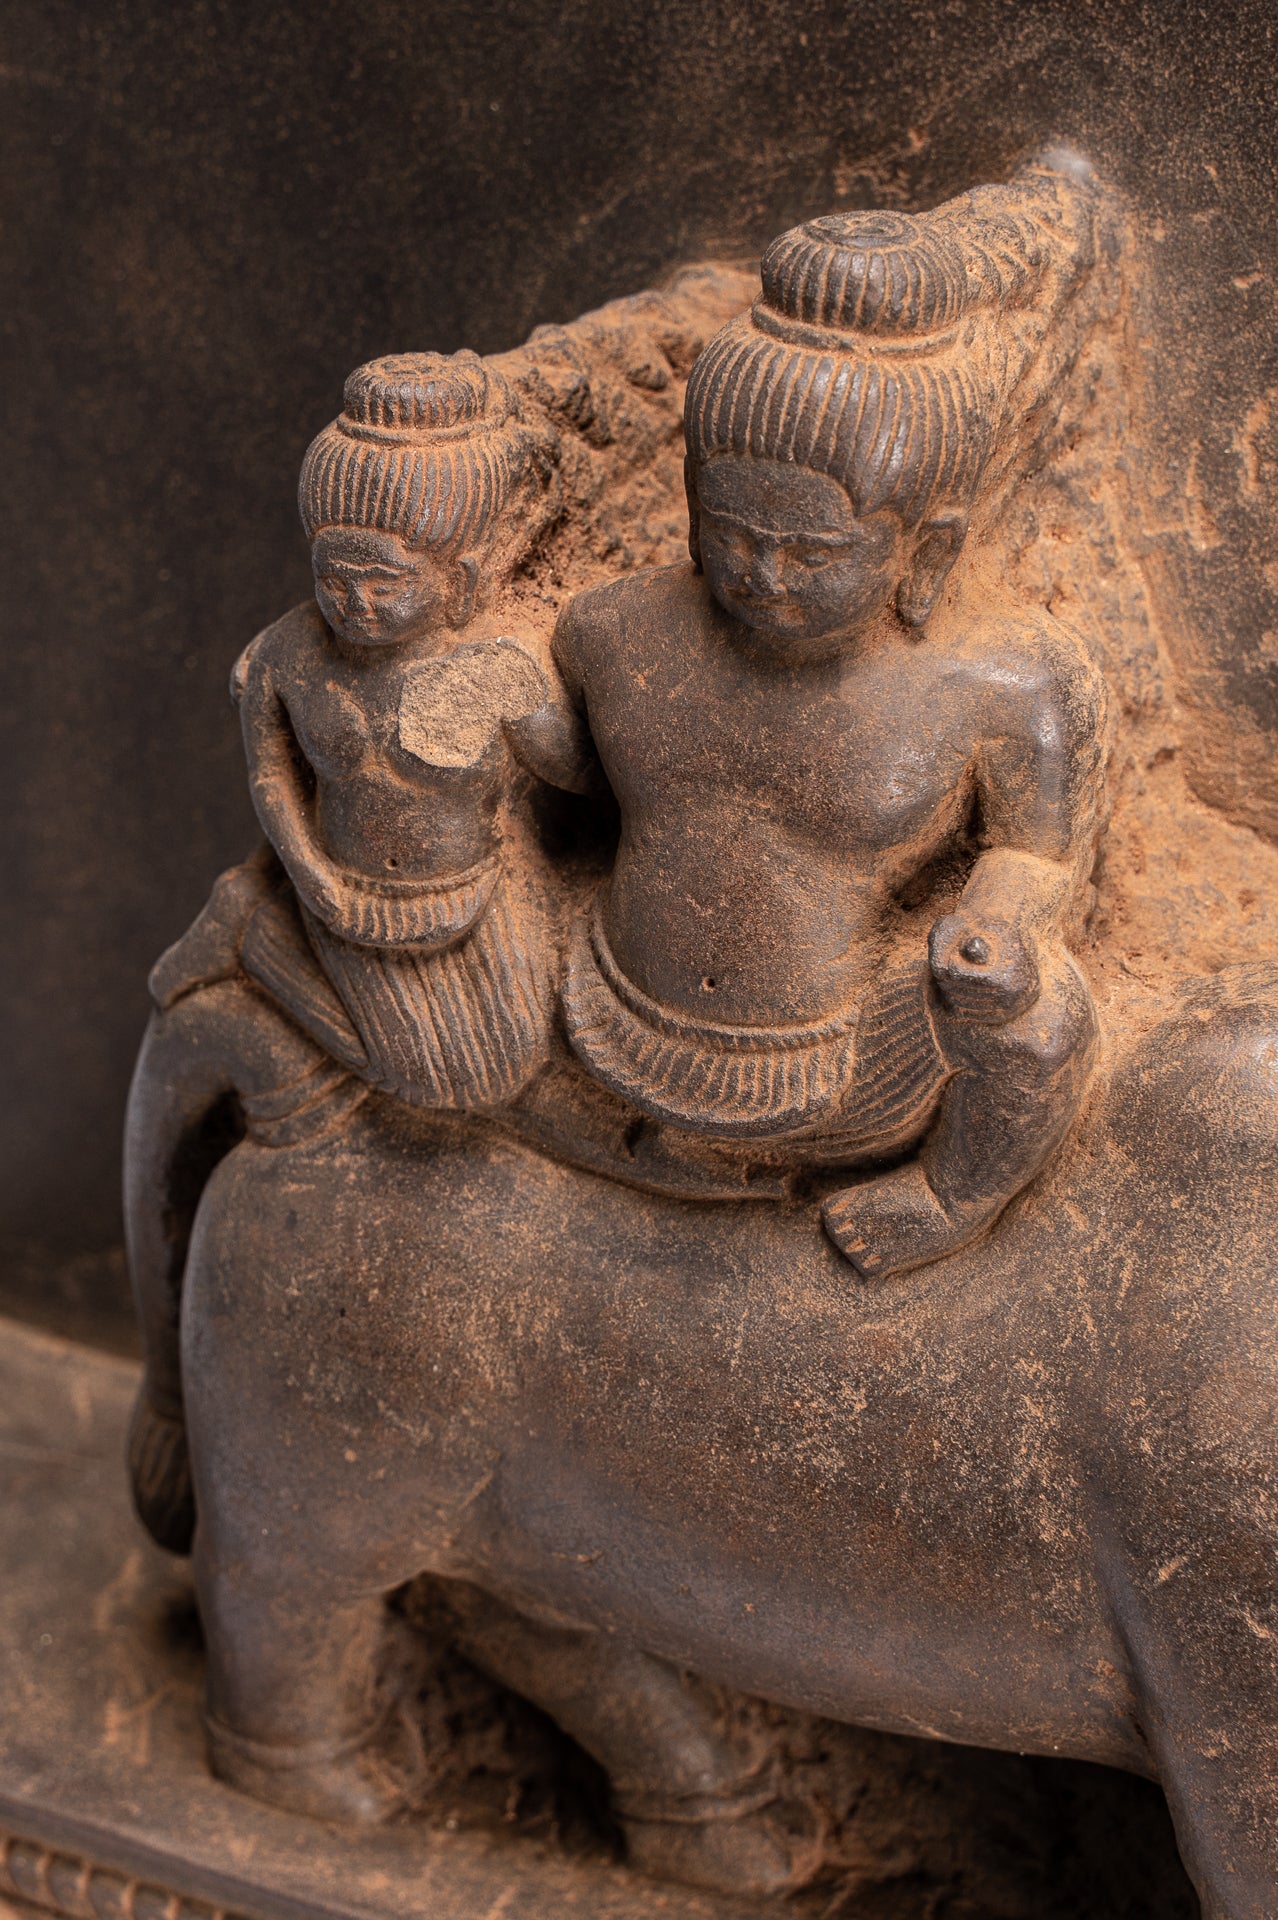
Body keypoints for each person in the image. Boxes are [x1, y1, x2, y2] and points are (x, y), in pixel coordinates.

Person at [556, 162, 1108, 1279]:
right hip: (602, 1010)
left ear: (928, 548)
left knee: (1043, 1022)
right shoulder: (613, 632)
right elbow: (558, 784)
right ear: (693, 499)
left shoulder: (1002, 687)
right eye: (731, 531)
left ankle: (949, 1200)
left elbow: (1037, 851)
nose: (763, 575)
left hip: (851, 1066)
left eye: (817, 551)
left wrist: (996, 928)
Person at [232, 348, 593, 1106]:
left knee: (514, 1066)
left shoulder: (499, 667)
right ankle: (258, 945)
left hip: (474, 894)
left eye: (384, 581)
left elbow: (584, 782)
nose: (354, 602)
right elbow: (268, 774)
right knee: (433, 1085)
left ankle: (255, 945)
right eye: (333, 578)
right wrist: (308, 875)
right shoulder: (288, 653)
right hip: (344, 898)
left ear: (460, 578)